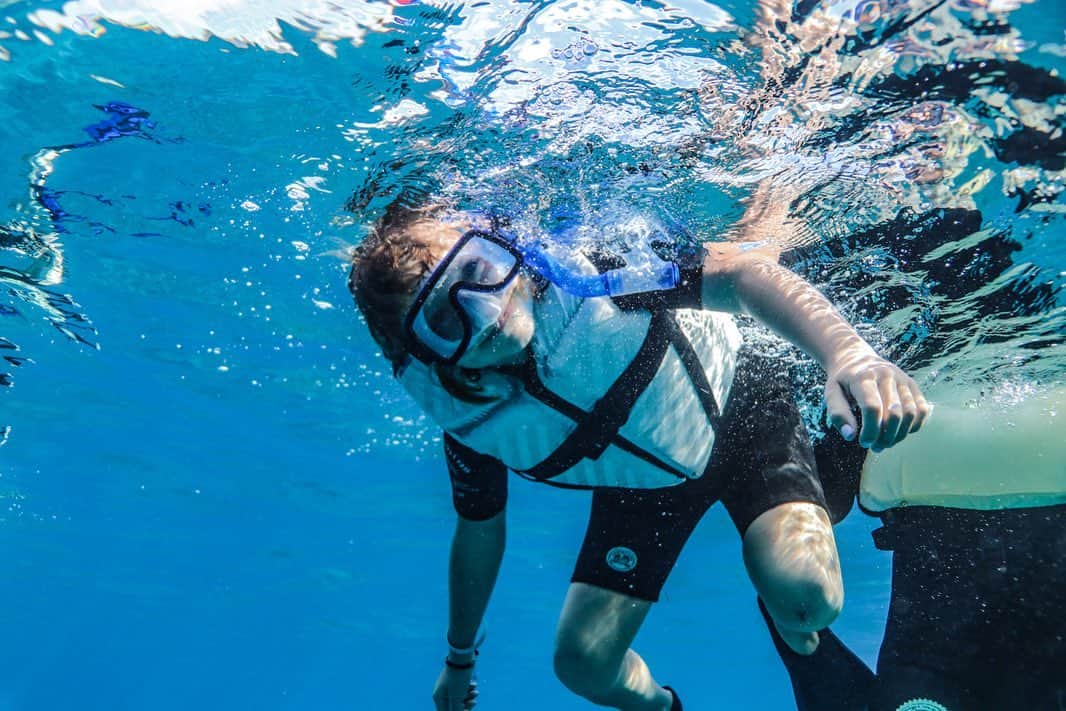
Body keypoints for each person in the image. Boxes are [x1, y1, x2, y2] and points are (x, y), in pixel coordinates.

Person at [347, 198, 931, 710]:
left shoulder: (594, 274)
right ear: (426, 355)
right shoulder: (471, 414)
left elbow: (746, 275)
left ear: (503, 248)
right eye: (447, 319)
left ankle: (819, 540)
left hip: (745, 402)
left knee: (808, 596)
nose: (486, 311)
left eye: (479, 273)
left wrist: (850, 357)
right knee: (582, 663)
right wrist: (458, 661)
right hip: (643, 485)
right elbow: (479, 531)